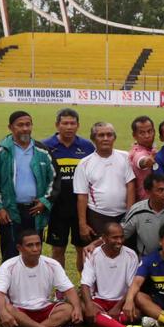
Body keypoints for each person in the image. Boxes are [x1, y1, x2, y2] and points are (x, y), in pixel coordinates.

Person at [0, 228, 83, 327]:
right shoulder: (8, 266)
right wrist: (2, 312)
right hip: (19, 311)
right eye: (30, 245)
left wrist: (77, 309)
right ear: (19, 248)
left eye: (38, 244)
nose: (35, 249)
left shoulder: (52, 264)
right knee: (5, 308)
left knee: (68, 309)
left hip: (43, 308)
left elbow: (69, 289)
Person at [0, 111, 55, 261]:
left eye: (28, 124)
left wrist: (44, 201)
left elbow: (54, 178)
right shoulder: (1, 151)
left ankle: (34, 284)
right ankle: (10, 285)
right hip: (10, 211)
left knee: (34, 254)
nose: (25, 128)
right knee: (10, 254)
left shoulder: (42, 150)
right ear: (10, 127)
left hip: (35, 210)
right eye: (20, 125)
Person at [42, 108, 93, 272]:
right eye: (65, 123)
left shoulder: (87, 146)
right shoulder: (46, 146)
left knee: (83, 249)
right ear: (57, 125)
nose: (69, 127)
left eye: (72, 123)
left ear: (78, 125)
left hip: (82, 208)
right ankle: (60, 290)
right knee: (57, 250)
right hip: (57, 209)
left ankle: (84, 287)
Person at [78, 222, 143, 327]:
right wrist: (88, 306)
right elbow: (85, 284)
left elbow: (132, 285)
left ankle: (104, 320)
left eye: (121, 237)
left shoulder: (131, 255)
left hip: (122, 302)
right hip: (99, 301)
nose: (119, 241)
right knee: (83, 307)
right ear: (104, 238)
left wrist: (117, 307)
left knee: (136, 314)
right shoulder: (93, 254)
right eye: (115, 237)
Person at [75, 122, 136, 242]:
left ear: (114, 137)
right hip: (97, 215)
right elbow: (82, 196)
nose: (105, 138)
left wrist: (129, 215)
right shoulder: (84, 163)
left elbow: (131, 186)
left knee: (125, 250)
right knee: (100, 252)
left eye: (109, 135)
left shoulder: (125, 157)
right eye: (101, 135)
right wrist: (82, 224)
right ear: (93, 139)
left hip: (123, 215)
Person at [128, 115, 156, 200]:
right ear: (134, 135)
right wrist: (146, 162)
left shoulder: (150, 148)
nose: (147, 135)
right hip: (146, 204)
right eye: (142, 133)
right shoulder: (138, 153)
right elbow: (140, 160)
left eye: (149, 131)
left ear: (154, 131)